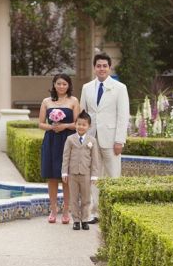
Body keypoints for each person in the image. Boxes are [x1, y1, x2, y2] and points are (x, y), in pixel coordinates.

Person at [80, 53, 130, 224]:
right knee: (94, 177)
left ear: (109, 68)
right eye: (98, 66)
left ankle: (116, 211)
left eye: (104, 66)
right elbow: (83, 115)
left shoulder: (120, 88)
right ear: (94, 68)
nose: (101, 68)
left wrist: (119, 140)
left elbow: (123, 116)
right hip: (91, 140)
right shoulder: (86, 88)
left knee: (114, 175)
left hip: (111, 140)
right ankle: (96, 213)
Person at [38, 74, 79, 224]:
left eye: (64, 84)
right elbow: (40, 123)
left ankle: (66, 210)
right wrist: (52, 127)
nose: (61, 86)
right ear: (54, 85)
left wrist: (65, 126)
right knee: (52, 176)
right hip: (51, 140)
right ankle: (53, 209)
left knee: (66, 176)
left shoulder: (73, 101)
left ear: (68, 86)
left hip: (68, 141)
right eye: (59, 84)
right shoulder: (46, 101)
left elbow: (77, 124)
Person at [61, 110, 100, 231]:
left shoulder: (92, 140)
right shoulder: (70, 139)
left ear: (89, 126)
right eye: (79, 124)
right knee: (73, 198)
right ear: (75, 124)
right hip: (72, 174)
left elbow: (95, 160)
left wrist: (94, 175)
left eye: (84, 125)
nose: (81, 127)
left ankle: (84, 220)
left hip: (86, 174)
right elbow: (65, 156)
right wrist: (64, 172)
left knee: (86, 198)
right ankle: (76, 220)